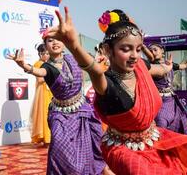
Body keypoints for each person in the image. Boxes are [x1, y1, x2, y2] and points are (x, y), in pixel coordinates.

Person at [43, 7, 187, 174]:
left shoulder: (140, 66)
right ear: (107, 50)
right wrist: (73, 45)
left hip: (154, 141)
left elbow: (160, 69)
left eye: (138, 49)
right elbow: (93, 69)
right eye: (126, 49)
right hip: (124, 151)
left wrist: (169, 66)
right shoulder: (107, 83)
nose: (134, 55)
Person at [7, 40, 111, 174]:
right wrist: (24, 66)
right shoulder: (47, 66)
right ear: (46, 46)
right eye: (50, 41)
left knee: (95, 143)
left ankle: (101, 171)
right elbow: (39, 72)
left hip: (82, 111)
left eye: (57, 39)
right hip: (60, 115)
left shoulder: (72, 58)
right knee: (59, 148)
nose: (55, 43)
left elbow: (90, 63)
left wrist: (101, 59)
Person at [142, 43, 187, 134]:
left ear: (162, 51)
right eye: (150, 50)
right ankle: (160, 145)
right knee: (161, 123)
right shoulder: (152, 65)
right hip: (158, 101)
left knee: (181, 124)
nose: (152, 52)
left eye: (155, 50)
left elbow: (180, 66)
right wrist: (143, 47)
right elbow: (150, 57)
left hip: (171, 100)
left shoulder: (169, 64)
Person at [30, 43, 53, 145]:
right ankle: (46, 138)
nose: (47, 55)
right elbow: (40, 80)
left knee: (51, 113)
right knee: (44, 113)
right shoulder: (38, 64)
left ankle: (50, 137)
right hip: (42, 91)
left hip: (50, 91)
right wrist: (50, 76)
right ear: (40, 54)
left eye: (48, 53)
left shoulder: (50, 64)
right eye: (45, 53)